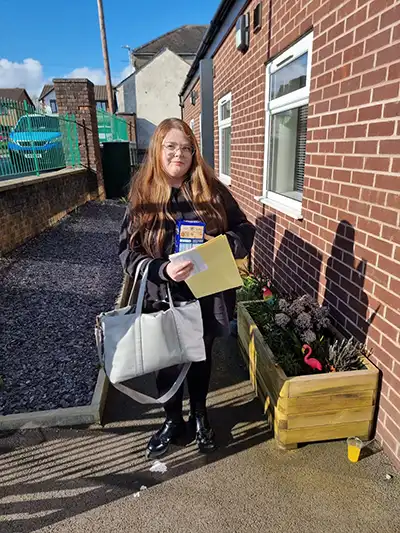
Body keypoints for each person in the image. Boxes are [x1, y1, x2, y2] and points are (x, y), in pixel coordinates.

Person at [119, 118, 255, 458]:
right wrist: (162, 269)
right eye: (171, 147)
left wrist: (223, 242)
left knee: (199, 357)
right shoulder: (142, 195)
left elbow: (244, 229)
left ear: (194, 153)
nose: (179, 154)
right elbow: (126, 252)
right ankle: (171, 421)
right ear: (158, 150)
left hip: (205, 293)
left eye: (186, 148)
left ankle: (199, 418)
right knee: (166, 360)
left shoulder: (211, 190)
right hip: (161, 296)